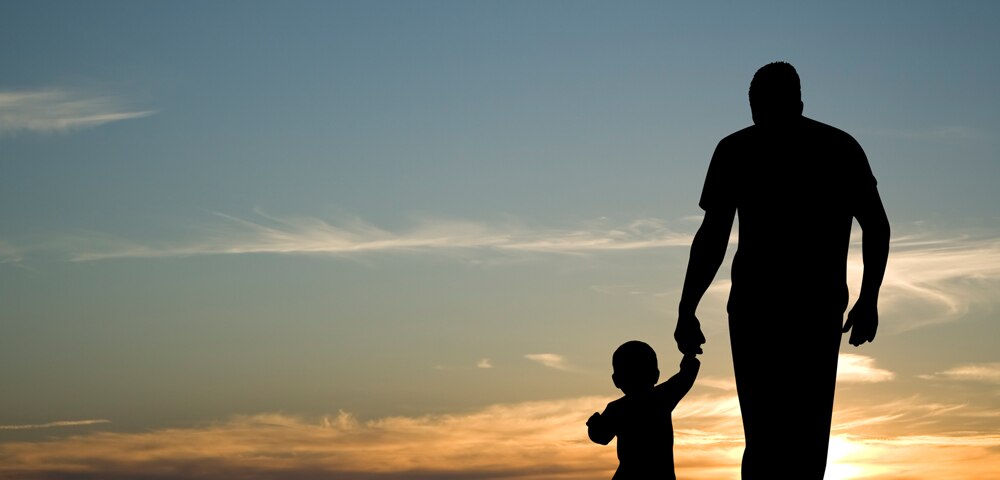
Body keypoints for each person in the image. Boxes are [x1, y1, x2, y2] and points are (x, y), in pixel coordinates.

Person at [674, 62, 890, 479]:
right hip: (774, 309)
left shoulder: (826, 148)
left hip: (799, 309)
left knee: (783, 439)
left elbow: (877, 225)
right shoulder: (829, 146)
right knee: (779, 438)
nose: (762, 117)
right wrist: (687, 307)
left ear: (796, 103)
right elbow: (713, 236)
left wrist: (869, 298)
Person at [587, 340, 700, 480]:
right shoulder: (661, 398)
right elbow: (685, 377)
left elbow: (601, 437)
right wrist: (690, 354)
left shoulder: (618, 409)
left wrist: (593, 424)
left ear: (616, 380)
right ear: (656, 375)